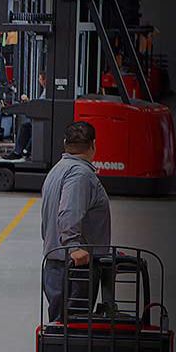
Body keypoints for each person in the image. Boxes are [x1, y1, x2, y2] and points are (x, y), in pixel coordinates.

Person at [39, 121, 111, 322]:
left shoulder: (58, 170)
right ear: (94, 145)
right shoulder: (81, 175)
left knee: (60, 330)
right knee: (74, 333)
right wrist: (74, 247)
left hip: (56, 264)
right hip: (75, 270)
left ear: (65, 143)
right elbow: (68, 212)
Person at [6, 73, 47, 160]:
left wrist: (28, 101)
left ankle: (27, 151)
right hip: (42, 119)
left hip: (45, 121)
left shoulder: (48, 92)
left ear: (44, 80)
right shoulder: (45, 91)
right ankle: (18, 152)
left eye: (40, 79)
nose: (39, 81)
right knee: (25, 127)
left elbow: (41, 105)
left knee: (35, 127)